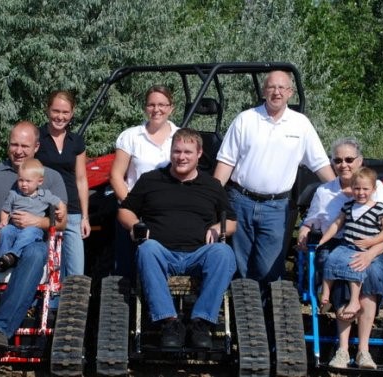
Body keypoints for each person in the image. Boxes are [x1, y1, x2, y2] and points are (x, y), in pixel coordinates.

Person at [213, 70, 336, 287]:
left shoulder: (301, 124)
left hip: (276, 207)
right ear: (263, 91)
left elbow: (320, 164)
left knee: (269, 268)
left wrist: (341, 190)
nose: (276, 92)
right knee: (241, 266)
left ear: (290, 92)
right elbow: (226, 162)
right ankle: (245, 315)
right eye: (271, 87)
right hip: (240, 201)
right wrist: (211, 197)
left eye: (282, 88)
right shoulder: (245, 119)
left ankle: (269, 317)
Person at [118, 128, 237, 349]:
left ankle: (201, 322)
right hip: (162, 252)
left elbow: (231, 222)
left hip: (199, 253)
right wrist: (134, 224)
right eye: (177, 151)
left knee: (224, 253)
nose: (181, 157)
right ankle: (169, 322)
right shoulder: (150, 180)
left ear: (199, 153)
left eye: (187, 152)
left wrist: (217, 227)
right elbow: (125, 211)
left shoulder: (212, 186)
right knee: (146, 249)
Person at [0, 121, 67, 348]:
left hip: (32, 240)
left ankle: (0, 328)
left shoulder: (50, 177)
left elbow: (62, 221)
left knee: (36, 254)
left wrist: (38, 221)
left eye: (25, 146)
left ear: (36, 147)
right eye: (14, 145)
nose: (18, 150)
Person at [297, 137, 383, 370]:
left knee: (370, 273)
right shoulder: (324, 191)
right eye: (338, 160)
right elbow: (310, 221)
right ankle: (342, 350)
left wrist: (370, 254)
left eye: (350, 159)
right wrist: (305, 231)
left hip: (369, 247)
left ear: (359, 161)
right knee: (342, 272)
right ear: (332, 163)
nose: (344, 164)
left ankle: (363, 350)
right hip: (333, 246)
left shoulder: (375, 187)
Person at [110, 85, 179, 277]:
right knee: (128, 269)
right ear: (145, 108)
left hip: (167, 214)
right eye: (151, 105)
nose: (157, 109)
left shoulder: (180, 136)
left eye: (162, 105)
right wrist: (132, 207)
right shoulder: (131, 136)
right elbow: (116, 176)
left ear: (171, 107)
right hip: (134, 211)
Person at [318, 167, 383, 321]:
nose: (361, 192)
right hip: (346, 245)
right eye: (357, 188)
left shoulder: (379, 208)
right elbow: (336, 225)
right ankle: (325, 294)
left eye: (365, 189)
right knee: (330, 260)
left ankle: (354, 301)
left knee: (355, 267)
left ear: (373, 189)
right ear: (351, 188)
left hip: (364, 247)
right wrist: (322, 240)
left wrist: (372, 241)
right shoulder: (348, 206)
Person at [36, 90, 90, 278]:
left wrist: (85, 217)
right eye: (56, 111)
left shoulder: (76, 141)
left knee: (76, 271)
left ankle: (72, 307)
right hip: (41, 209)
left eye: (65, 112)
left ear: (72, 112)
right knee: (43, 267)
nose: (60, 116)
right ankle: (43, 306)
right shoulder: (37, 137)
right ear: (47, 110)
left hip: (72, 211)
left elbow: (81, 179)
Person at [0, 159, 63, 272]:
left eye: (28, 181)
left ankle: (12, 256)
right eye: (20, 180)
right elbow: (5, 210)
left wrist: (61, 211)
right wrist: (3, 221)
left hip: (34, 228)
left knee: (28, 233)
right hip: (14, 227)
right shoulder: (14, 194)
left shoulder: (45, 195)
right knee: (5, 231)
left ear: (40, 181)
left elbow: (60, 203)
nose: (24, 184)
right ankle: (2, 259)